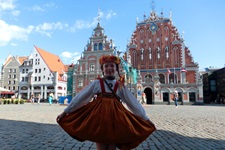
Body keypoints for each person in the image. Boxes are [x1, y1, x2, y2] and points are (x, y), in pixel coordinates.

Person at [56, 55, 156, 150]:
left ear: (116, 69)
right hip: (99, 117)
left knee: (112, 142)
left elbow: (132, 102)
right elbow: (81, 97)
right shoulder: (97, 83)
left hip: (115, 118)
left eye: (112, 66)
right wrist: (65, 112)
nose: (109, 68)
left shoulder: (119, 85)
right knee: (100, 141)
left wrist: (146, 119)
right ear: (102, 69)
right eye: (106, 66)